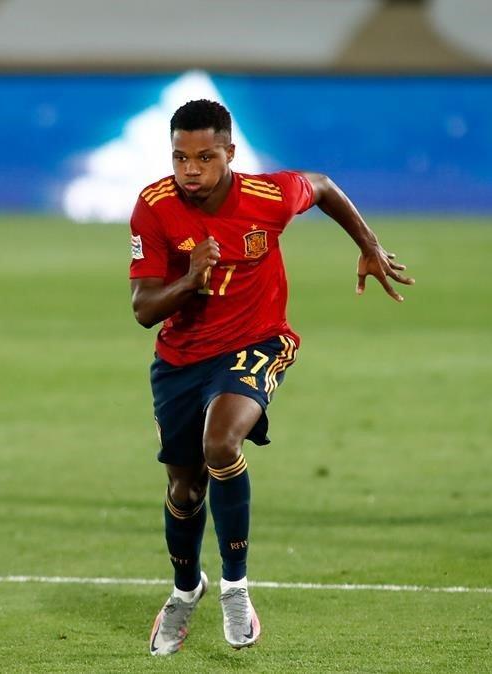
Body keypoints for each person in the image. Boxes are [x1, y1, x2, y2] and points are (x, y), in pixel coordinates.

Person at [131, 100, 413, 654]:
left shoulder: (270, 196)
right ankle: (186, 591)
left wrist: (368, 244)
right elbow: (143, 309)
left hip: (258, 341)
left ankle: (235, 588)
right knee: (184, 492)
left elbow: (325, 187)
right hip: (181, 361)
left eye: (205, 157)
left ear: (230, 154)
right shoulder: (154, 207)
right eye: (180, 157)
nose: (191, 169)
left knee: (221, 441)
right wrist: (190, 280)